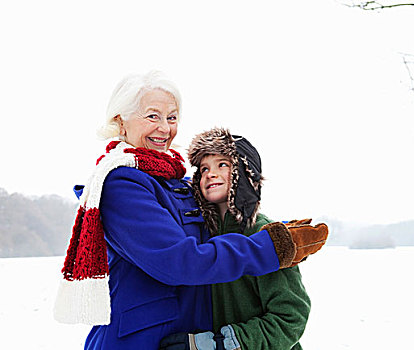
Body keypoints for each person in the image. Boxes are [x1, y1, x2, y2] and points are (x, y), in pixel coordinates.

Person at [53, 70, 327, 350]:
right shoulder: (121, 183)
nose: (164, 128)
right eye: (152, 116)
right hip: (141, 340)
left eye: (172, 117)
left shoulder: (178, 182)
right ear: (120, 121)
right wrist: (271, 247)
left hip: (188, 335)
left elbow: (232, 214)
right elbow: (178, 261)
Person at [160, 128, 325, 350]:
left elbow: (291, 316)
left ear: (245, 173)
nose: (210, 173)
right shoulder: (200, 237)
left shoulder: (264, 234)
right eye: (204, 168)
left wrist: (220, 343)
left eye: (223, 165)